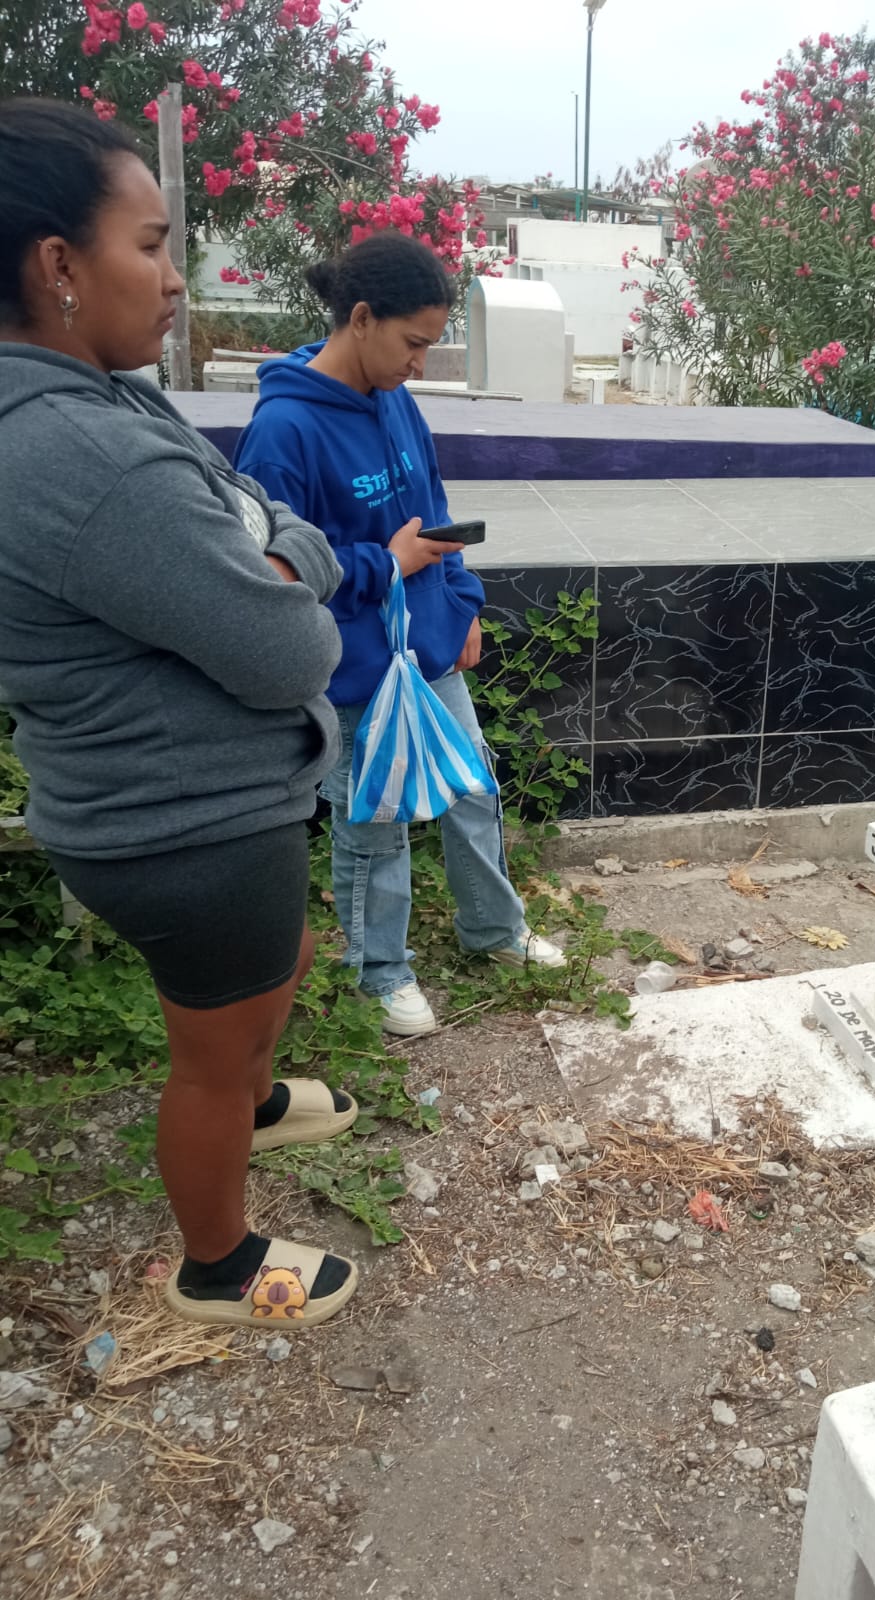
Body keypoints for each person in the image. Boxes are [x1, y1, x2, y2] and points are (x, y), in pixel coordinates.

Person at [0, 99, 360, 1329]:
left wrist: (270, 550)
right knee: (210, 1052)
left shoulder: (103, 400)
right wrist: (282, 565)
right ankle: (221, 1263)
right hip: (186, 825)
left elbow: (258, 510)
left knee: (271, 972)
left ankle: (256, 1099)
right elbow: (294, 645)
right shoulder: (84, 455)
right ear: (58, 264)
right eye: (151, 246)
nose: (174, 280)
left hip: (173, 802)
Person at [234, 234, 566, 1038]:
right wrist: (385, 563)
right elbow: (272, 569)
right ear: (360, 318)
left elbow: (434, 515)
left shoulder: (396, 401)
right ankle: (380, 971)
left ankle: (494, 929)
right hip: (353, 664)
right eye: (413, 343)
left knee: (473, 787)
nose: (419, 363)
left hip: (428, 645)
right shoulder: (284, 430)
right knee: (374, 821)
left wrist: (464, 602)